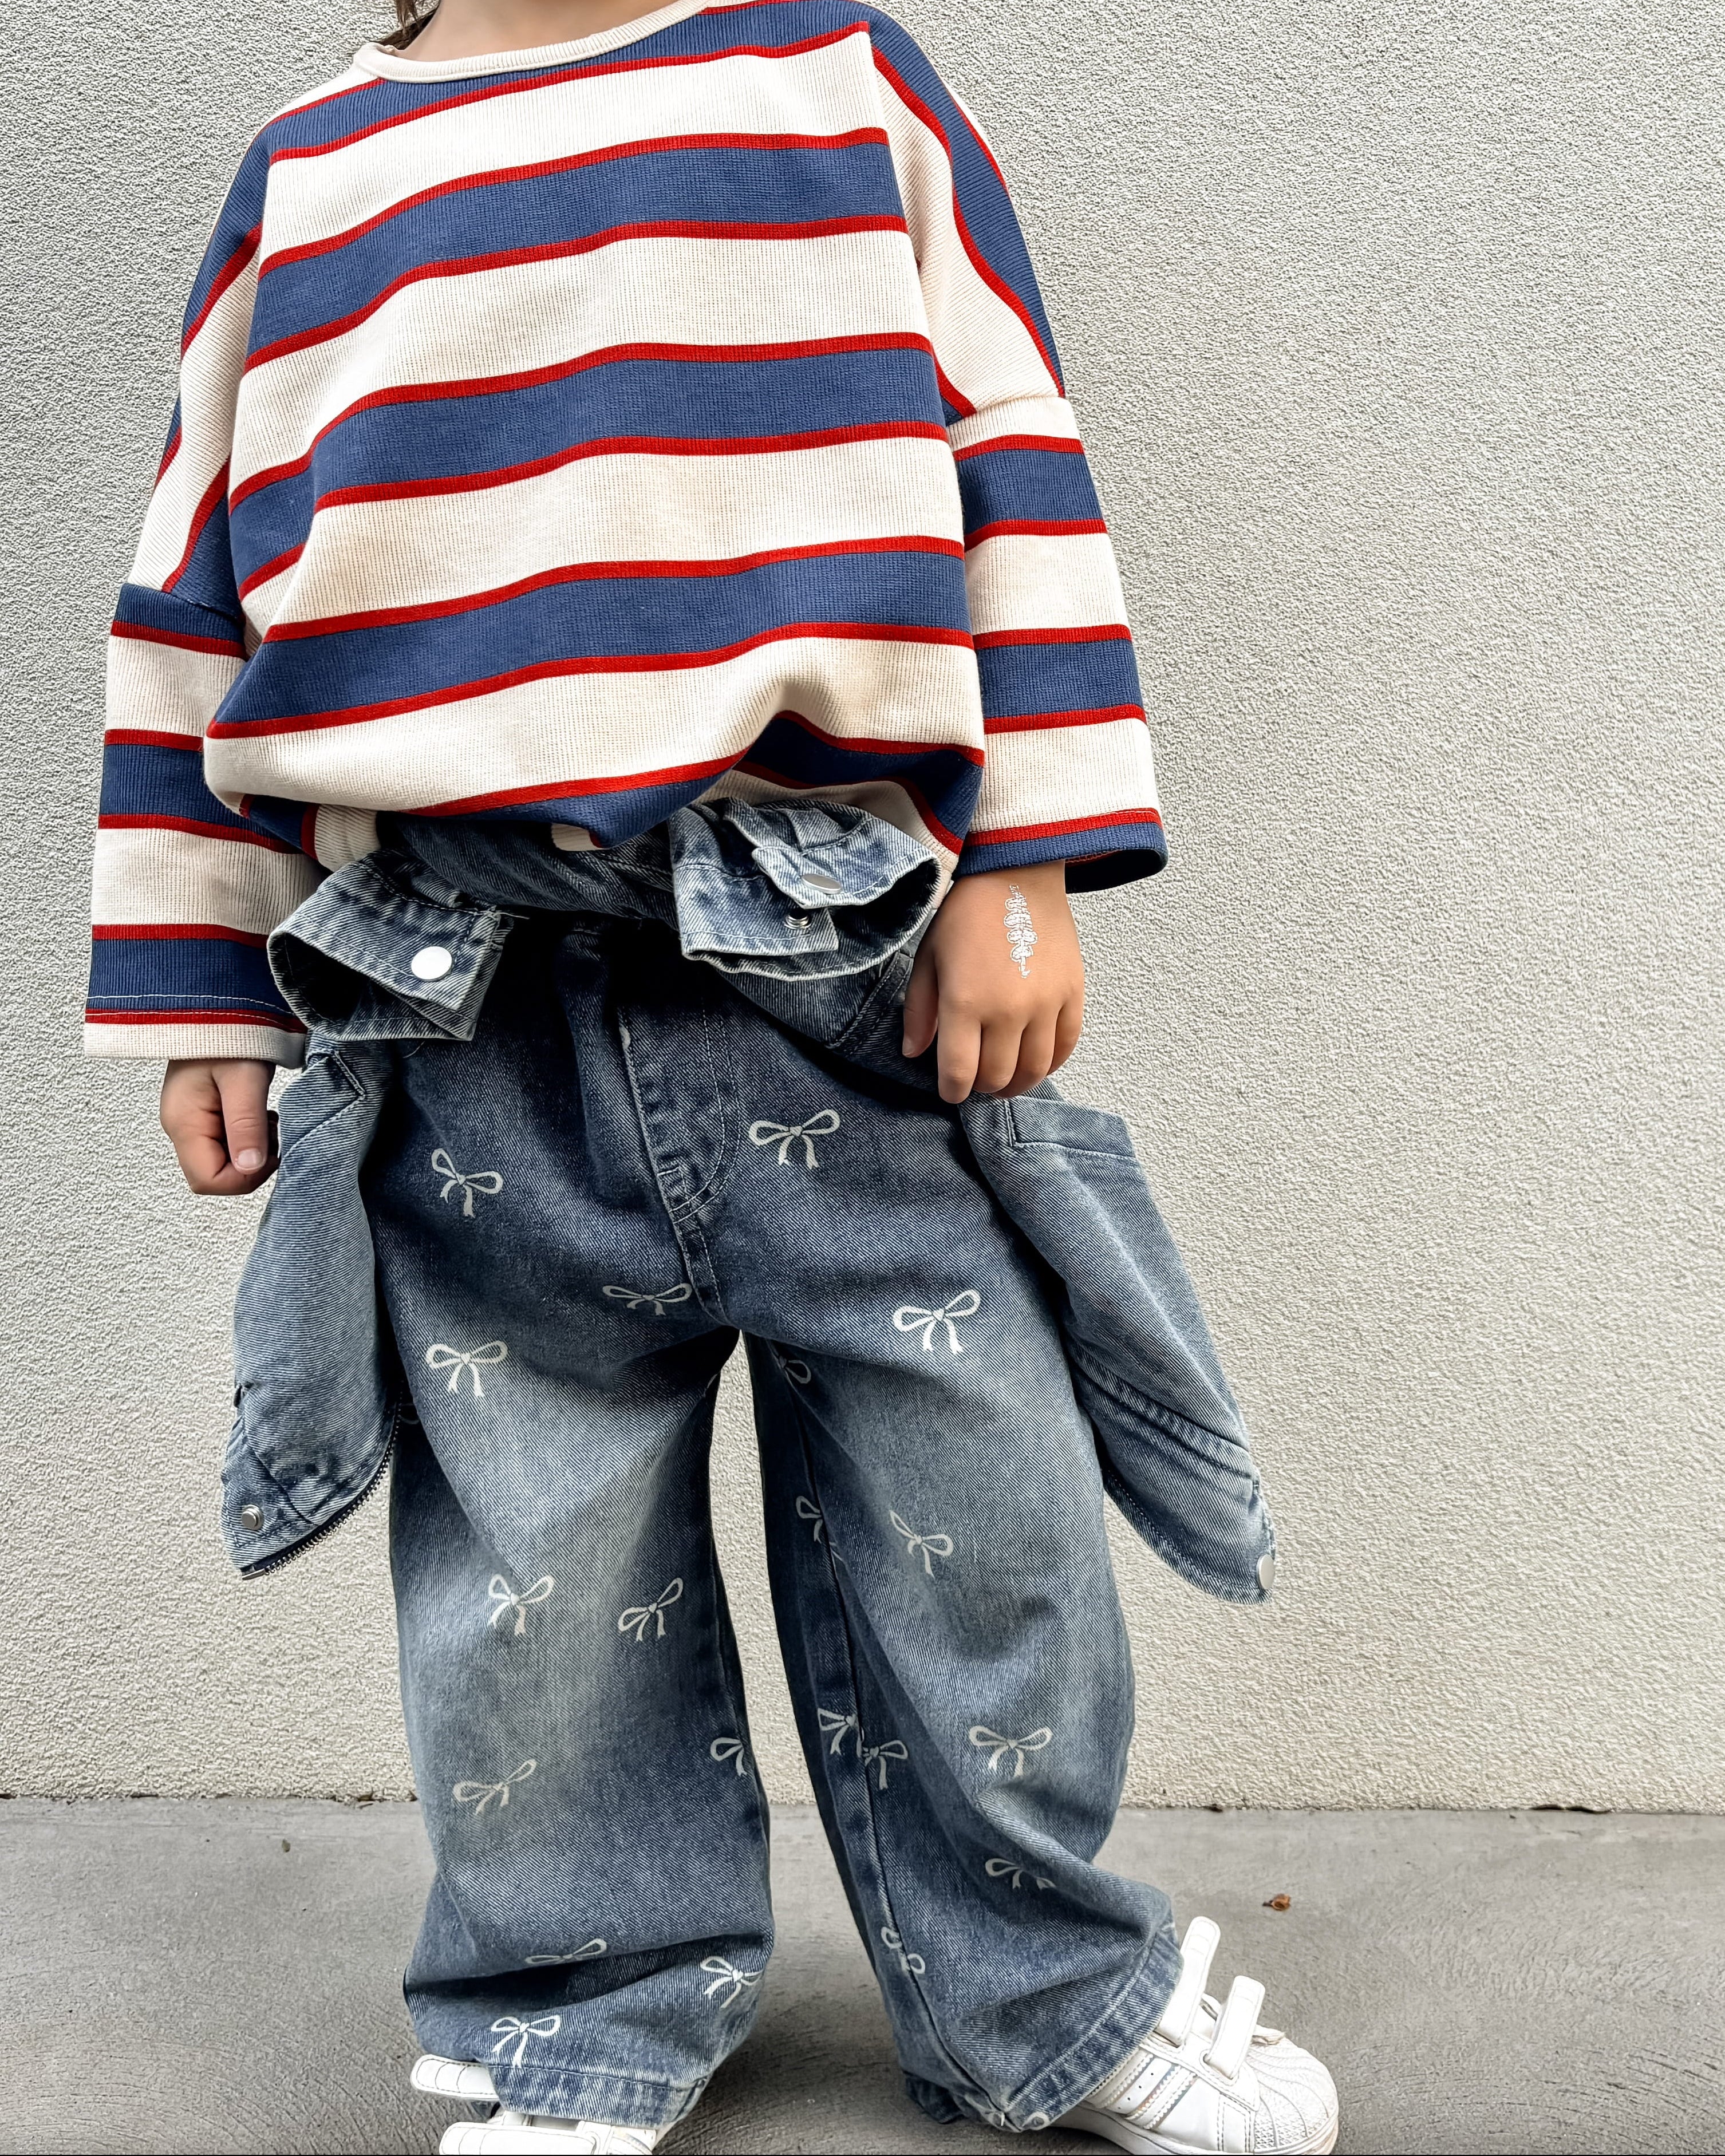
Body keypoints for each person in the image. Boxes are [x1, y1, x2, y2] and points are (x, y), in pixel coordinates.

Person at [85, 2, 1340, 2150]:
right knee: (536, 1569)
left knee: (989, 1511)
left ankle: (1042, 1984)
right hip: (462, 1007)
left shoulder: (843, 81)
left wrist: (1020, 855)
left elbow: (1012, 450)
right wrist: (202, 982)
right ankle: (578, 2010)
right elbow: (193, 593)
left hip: (838, 965)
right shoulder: (310, 170)